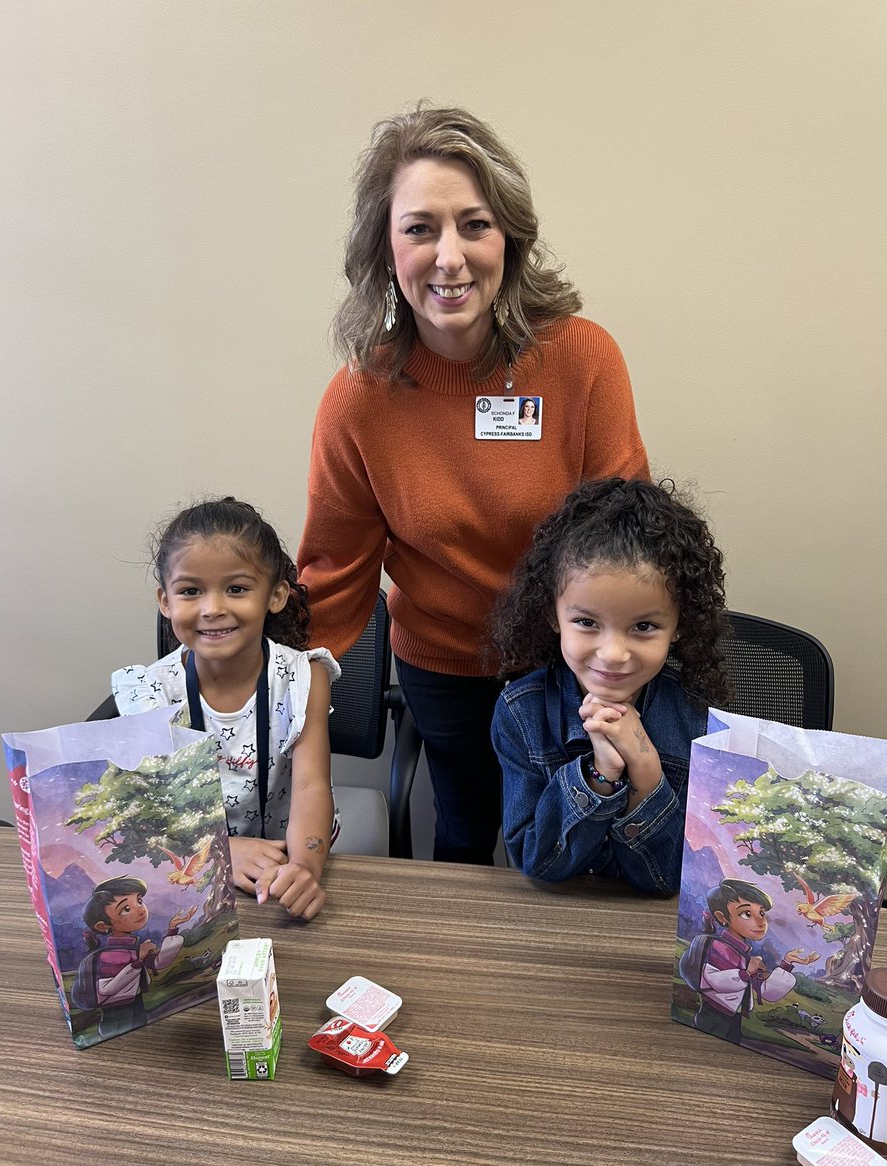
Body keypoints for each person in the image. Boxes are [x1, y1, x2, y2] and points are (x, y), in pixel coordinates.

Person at [298, 104, 649, 865]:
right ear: (384, 247)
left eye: (474, 225)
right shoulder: (360, 399)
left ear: (509, 240)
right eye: (421, 228)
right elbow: (333, 583)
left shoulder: (582, 360)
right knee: (463, 832)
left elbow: (629, 544)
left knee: (569, 843)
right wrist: (290, 735)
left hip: (571, 662)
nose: (449, 257)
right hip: (445, 668)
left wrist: (616, 670)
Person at [490, 477, 729, 894]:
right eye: (586, 623)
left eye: (644, 626)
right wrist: (599, 775)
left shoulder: (697, 717)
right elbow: (537, 862)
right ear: (553, 616)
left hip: (651, 932)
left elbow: (670, 880)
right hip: (556, 922)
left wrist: (646, 772)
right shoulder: (520, 713)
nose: (613, 654)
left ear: (678, 626)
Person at [113, 498, 339, 920]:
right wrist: (220, 851)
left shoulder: (305, 677)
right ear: (165, 601)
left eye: (236, 588)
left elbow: (310, 786)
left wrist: (305, 865)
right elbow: (154, 809)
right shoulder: (149, 693)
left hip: (285, 861)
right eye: (190, 591)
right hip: (197, 868)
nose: (212, 607)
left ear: (275, 596)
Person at [689, 879, 820, 1043]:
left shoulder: (746, 955)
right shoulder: (719, 947)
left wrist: (787, 964)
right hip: (713, 1014)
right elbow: (715, 980)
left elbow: (764, 992)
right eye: (746, 914)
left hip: (734, 1016)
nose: (760, 922)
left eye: (762, 913)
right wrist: (746, 973)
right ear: (722, 917)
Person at [78, 876, 196, 1038]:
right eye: (126, 909)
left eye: (139, 901)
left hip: (137, 1001)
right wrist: (138, 961)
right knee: (113, 1036)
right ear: (103, 926)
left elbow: (159, 963)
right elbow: (106, 988)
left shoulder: (134, 947)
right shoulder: (109, 955)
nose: (139, 909)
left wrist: (172, 929)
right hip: (116, 1009)